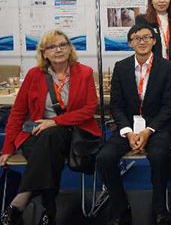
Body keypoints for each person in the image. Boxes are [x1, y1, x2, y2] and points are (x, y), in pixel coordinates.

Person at [0, 30, 100, 225]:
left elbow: (89, 109)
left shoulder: (84, 72)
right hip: (35, 132)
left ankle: (22, 199)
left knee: (51, 135)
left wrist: (54, 121)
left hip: (70, 130)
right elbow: (18, 112)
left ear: (70, 49)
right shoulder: (34, 74)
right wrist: (8, 147)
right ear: (44, 53)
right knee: (48, 152)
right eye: (52, 47)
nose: (58, 50)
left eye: (63, 45)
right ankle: (49, 210)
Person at [97, 24, 171, 225]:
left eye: (146, 37)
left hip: (157, 127)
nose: (142, 41)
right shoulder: (121, 67)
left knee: (159, 156)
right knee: (104, 158)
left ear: (154, 41)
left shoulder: (168, 68)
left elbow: (170, 105)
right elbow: (116, 104)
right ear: (130, 43)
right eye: (136, 38)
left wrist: (148, 131)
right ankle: (120, 206)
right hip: (128, 127)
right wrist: (128, 132)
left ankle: (160, 208)